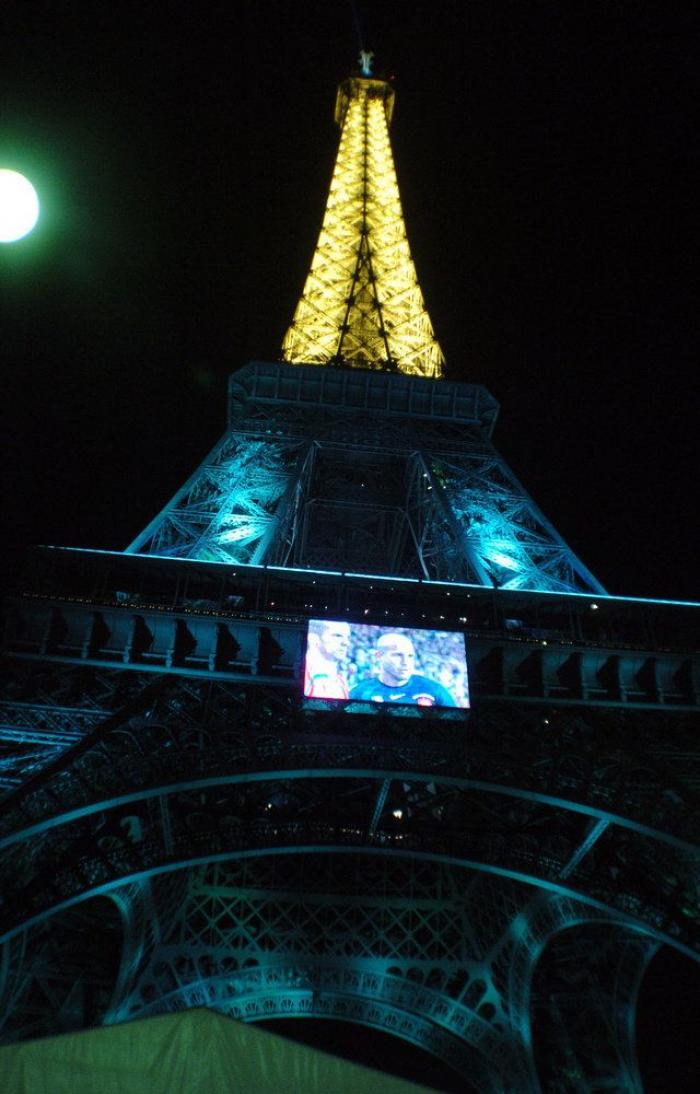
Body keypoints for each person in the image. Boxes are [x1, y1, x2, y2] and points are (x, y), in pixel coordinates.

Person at [349, 632, 456, 707]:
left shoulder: (434, 690)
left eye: (410, 656)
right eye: (398, 655)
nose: (405, 662)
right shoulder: (360, 692)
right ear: (379, 656)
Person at [304, 620, 351, 699]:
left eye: (348, 637)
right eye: (337, 635)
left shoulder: (341, 681)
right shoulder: (303, 675)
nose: (346, 643)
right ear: (313, 638)